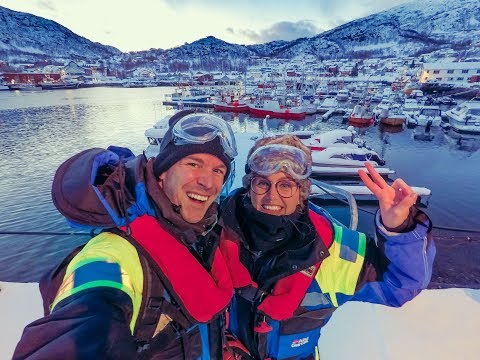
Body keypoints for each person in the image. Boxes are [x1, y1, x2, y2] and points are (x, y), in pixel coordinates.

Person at [13, 110, 237, 359]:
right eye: (193, 164)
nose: (208, 182)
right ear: (162, 171)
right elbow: (83, 324)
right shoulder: (111, 253)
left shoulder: (200, 235)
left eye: (218, 171)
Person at [219, 134, 435, 360]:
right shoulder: (215, 233)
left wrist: (400, 228)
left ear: (303, 191)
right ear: (249, 186)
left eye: (285, 185)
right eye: (263, 183)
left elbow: (400, 285)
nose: (272, 196)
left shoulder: (337, 251)